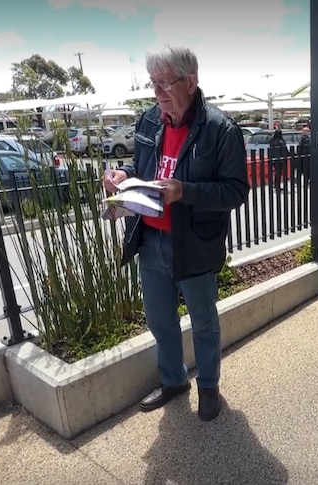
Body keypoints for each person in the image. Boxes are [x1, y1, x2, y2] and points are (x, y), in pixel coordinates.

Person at [104, 45, 249, 421]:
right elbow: (142, 165)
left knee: (203, 322)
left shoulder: (220, 129)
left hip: (195, 244)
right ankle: (173, 380)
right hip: (150, 238)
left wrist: (186, 191)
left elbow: (236, 191)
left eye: (165, 84)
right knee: (159, 319)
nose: (157, 93)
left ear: (191, 81)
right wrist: (123, 174)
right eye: (153, 84)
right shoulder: (149, 121)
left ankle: (209, 387)